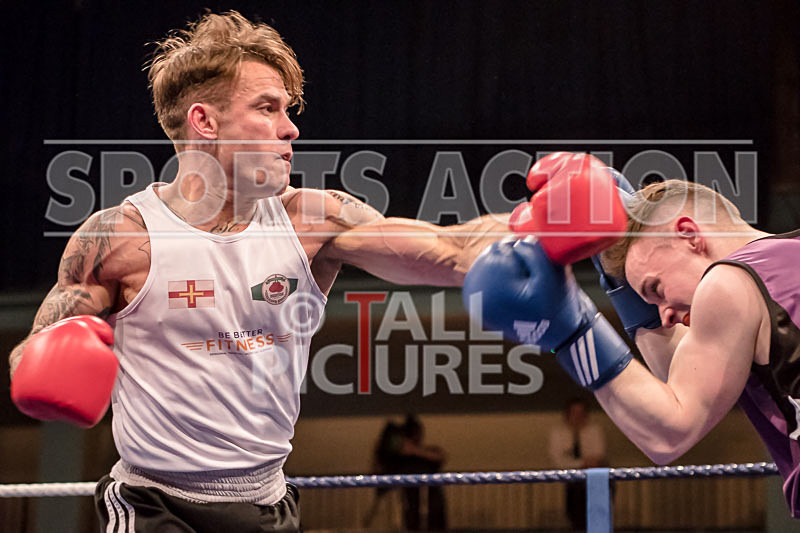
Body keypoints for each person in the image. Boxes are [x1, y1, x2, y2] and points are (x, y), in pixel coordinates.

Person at [8, 11, 508, 532]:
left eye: (287, 110)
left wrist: (540, 223)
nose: (290, 128)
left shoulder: (313, 221)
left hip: (269, 505)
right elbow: (32, 353)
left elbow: (450, 250)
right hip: (154, 506)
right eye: (267, 108)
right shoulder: (120, 237)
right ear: (205, 122)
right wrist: (44, 358)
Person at [463, 155, 800, 517]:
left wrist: (573, 333)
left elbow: (670, 432)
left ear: (689, 235)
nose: (665, 316)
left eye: (656, 289)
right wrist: (623, 287)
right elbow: (682, 382)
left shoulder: (728, 281)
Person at [548, 398, 607, 530]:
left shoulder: (594, 430)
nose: (578, 417)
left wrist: (585, 462)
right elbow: (558, 460)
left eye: (581, 413)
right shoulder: (558, 433)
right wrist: (581, 463)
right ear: (566, 415)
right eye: (574, 413)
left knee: (598, 514)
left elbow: (598, 455)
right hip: (572, 482)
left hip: (596, 481)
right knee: (575, 514)